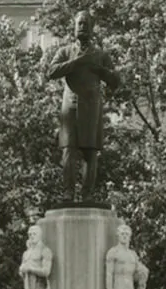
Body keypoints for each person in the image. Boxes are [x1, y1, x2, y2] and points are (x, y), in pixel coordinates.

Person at [45, 11, 123, 202]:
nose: (83, 27)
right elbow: (51, 71)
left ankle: (87, 194)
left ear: (92, 28)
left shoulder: (100, 55)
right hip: (70, 106)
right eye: (80, 23)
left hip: (92, 106)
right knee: (68, 149)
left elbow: (116, 81)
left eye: (86, 24)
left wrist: (99, 70)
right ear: (74, 27)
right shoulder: (65, 51)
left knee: (90, 151)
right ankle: (68, 192)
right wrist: (77, 62)